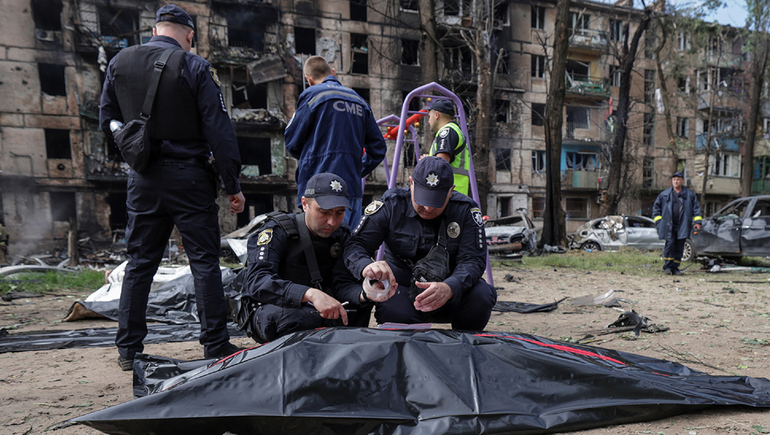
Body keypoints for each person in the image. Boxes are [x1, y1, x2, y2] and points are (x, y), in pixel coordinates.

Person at [99, 4, 245, 370]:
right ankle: (215, 345)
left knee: (140, 264)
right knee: (204, 262)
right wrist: (233, 185)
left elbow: (107, 120)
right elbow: (219, 131)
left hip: (142, 178)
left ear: (154, 30)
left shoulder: (119, 62)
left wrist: (133, 154)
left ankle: (128, 350)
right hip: (189, 178)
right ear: (189, 35)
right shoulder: (194, 66)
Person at [344, 157, 496, 330]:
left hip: (450, 291)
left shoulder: (465, 210)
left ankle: (465, 347)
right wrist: (367, 266)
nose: (428, 209)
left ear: (451, 191)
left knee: (481, 295)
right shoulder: (392, 205)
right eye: (423, 200)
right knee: (391, 309)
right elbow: (355, 245)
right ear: (411, 184)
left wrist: (450, 287)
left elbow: (473, 260)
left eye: (436, 201)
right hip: (402, 289)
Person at [239, 173, 373, 342]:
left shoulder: (342, 235)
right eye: (324, 212)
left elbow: (343, 282)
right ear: (305, 204)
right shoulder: (278, 231)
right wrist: (309, 294)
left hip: (321, 311)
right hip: (278, 310)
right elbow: (258, 281)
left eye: (340, 213)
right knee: (297, 317)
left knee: (360, 304)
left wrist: (365, 294)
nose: (332, 222)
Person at [284, 55, 387, 228]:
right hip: (351, 190)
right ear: (333, 73)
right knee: (349, 247)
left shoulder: (311, 95)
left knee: (320, 249)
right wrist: (357, 169)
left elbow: (292, 141)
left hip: (317, 191)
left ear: (308, 80)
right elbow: (378, 148)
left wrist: (309, 156)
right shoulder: (359, 100)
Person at [652, 172, 702, 275]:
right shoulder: (664, 194)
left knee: (680, 246)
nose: (676, 181)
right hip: (668, 225)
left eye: (678, 179)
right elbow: (656, 209)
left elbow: (696, 209)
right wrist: (659, 222)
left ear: (683, 181)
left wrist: (697, 222)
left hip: (683, 225)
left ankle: (675, 268)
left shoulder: (690, 195)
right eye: (674, 179)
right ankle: (667, 267)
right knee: (669, 245)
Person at [427, 99, 470, 196]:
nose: (429, 121)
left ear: (436, 115)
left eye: (429, 116)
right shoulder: (455, 131)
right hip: (455, 192)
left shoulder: (447, 132)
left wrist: (427, 161)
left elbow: (441, 163)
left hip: (447, 193)